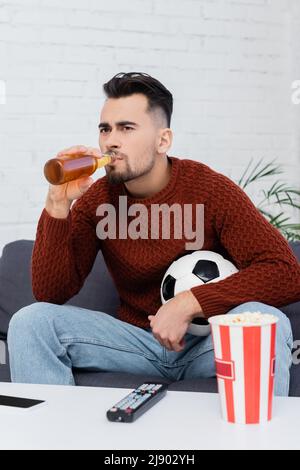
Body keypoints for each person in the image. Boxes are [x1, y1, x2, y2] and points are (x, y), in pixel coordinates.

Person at [7, 72, 300, 395]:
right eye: (105, 129)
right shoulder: (97, 200)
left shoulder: (210, 190)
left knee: (267, 322)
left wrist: (188, 303)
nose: (110, 141)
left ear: (163, 140)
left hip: (207, 345)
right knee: (30, 322)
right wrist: (58, 204)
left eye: (126, 128)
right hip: (134, 344)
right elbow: (51, 293)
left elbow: (285, 272)